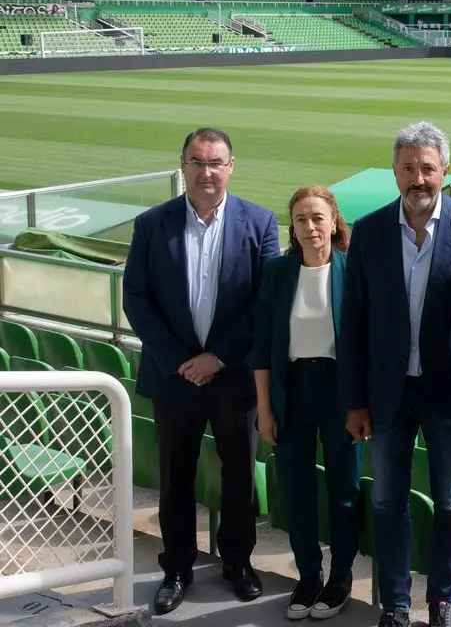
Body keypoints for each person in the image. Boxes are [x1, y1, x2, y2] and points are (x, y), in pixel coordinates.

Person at [338, 122, 451, 627]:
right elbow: (353, 321)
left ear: (445, 171)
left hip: (450, 394)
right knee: (388, 500)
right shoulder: (369, 231)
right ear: (394, 172)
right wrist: (354, 400)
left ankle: (443, 599)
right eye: (408, 168)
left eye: (428, 168)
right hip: (387, 393)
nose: (418, 178)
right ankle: (395, 604)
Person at [122, 127, 279, 615]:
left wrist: (219, 358)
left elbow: (265, 301)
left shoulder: (260, 222)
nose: (206, 172)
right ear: (183, 165)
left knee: (238, 475)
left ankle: (238, 562)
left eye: (215, 162)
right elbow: (137, 299)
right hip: (174, 378)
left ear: (231, 166)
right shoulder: (152, 224)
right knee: (176, 475)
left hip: (233, 378)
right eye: (197, 162)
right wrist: (179, 361)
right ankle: (176, 568)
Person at [252, 186, 360, 621]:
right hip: (292, 390)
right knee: (297, 490)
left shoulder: (353, 269)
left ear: (334, 222)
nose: (310, 226)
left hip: (341, 392)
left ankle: (341, 576)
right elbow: (262, 346)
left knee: (344, 489)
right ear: (292, 228)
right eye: (301, 219)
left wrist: (361, 404)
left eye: (318, 217)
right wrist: (265, 409)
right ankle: (309, 575)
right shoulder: (277, 273)